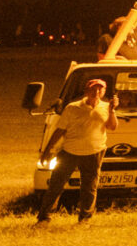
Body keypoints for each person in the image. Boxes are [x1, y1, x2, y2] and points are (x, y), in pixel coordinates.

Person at [37, 76, 119, 223]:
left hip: (94, 152)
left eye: (100, 89)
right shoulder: (72, 107)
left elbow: (112, 127)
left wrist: (112, 110)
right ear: (86, 90)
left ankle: (85, 218)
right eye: (93, 88)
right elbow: (60, 130)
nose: (97, 91)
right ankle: (44, 217)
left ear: (104, 91)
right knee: (56, 185)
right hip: (70, 151)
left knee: (90, 187)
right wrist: (48, 150)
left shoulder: (107, 107)